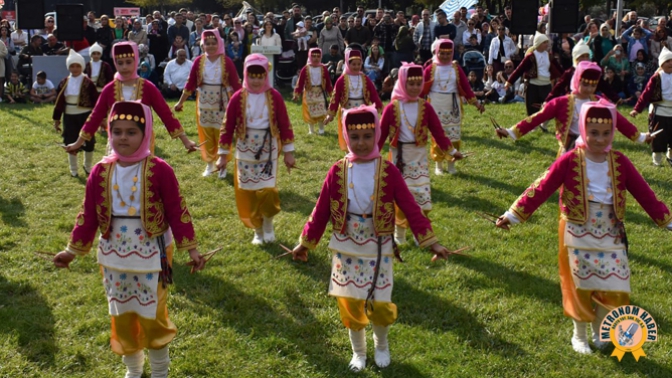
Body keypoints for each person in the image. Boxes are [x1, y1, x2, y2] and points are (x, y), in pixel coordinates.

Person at [495, 99, 672, 355]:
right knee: (581, 285)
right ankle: (579, 335)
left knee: (615, 285)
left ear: (613, 133)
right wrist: (513, 214)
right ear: (583, 130)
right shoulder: (569, 159)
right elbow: (541, 186)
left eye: (606, 133)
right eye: (593, 133)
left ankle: (601, 332)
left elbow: (645, 193)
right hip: (576, 229)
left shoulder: (620, 161)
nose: (600, 139)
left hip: (610, 230)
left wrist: (666, 220)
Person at [290, 104, 455, 372]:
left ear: (377, 134)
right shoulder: (337, 170)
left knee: (379, 303)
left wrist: (431, 241)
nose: (362, 143)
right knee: (351, 303)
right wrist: (305, 242)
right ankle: (359, 351)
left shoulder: (388, 170)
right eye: (354, 137)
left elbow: (411, 208)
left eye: (368, 136)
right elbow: (320, 210)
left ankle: (381, 345)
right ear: (345, 136)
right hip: (345, 245)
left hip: (378, 246)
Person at [53, 101, 206, 378]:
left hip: (152, 254)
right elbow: (87, 215)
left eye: (132, 132)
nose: (123, 137)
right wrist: (70, 251)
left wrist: (191, 249)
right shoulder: (99, 172)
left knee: (153, 316)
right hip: (113, 256)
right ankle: (133, 370)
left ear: (146, 134)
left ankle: (160, 372)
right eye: (117, 131)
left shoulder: (161, 169)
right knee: (122, 313)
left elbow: (177, 210)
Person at [216, 54, 296, 244]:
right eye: (252, 76)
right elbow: (227, 127)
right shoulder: (237, 98)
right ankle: (258, 231)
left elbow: (285, 124)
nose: (256, 80)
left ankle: (268, 223)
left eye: (260, 76)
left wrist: (289, 152)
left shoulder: (275, 96)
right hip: (245, 151)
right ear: (246, 74)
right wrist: (222, 156)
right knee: (249, 192)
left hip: (269, 151)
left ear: (265, 76)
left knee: (268, 190)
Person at [64, 42, 198, 155]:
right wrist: (78, 143)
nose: (124, 67)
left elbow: (166, 113)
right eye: (120, 62)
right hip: (117, 143)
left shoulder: (148, 87)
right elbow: (95, 117)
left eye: (129, 62)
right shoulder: (109, 89)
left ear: (136, 61)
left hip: (143, 142)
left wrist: (185, 141)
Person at [379, 63, 462, 244]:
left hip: (419, 157)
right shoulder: (391, 108)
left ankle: (421, 233)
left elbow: (439, 133)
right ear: (402, 83)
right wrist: (370, 158)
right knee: (401, 196)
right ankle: (399, 233)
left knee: (422, 196)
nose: (416, 88)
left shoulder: (426, 107)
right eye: (411, 84)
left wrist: (452, 151)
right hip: (398, 157)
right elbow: (379, 136)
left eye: (419, 84)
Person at [496, 62, 649, 156]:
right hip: (569, 149)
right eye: (585, 84)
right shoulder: (560, 103)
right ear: (576, 81)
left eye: (593, 85)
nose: (589, 88)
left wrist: (640, 137)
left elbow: (620, 121)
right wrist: (511, 131)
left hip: (595, 148)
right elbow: (536, 118)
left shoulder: (601, 103)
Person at [175, 30, 241, 177]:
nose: (210, 46)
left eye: (213, 43)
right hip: (204, 101)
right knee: (207, 133)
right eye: (207, 44)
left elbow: (236, 84)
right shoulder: (199, 61)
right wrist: (180, 103)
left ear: (219, 43)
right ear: (202, 45)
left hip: (222, 101)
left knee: (222, 132)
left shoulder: (226, 61)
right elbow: (190, 83)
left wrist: (243, 103)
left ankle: (222, 164)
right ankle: (210, 164)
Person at [421, 39, 484, 175]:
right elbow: (420, 89)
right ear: (437, 52)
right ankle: (439, 164)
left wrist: (476, 103)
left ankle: (451, 163)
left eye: (448, 53)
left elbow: (466, 88)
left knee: (453, 135)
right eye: (442, 53)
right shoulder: (430, 68)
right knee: (438, 135)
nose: (445, 56)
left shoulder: (455, 68)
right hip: (436, 104)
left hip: (453, 104)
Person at [324, 49, 383, 151]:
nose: (356, 67)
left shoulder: (365, 78)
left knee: (361, 129)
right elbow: (335, 96)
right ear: (347, 63)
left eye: (358, 64)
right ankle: (350, 149)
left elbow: (373, 94)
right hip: (347, 110)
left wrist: (380, 109)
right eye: (353, 64)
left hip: (362, 110)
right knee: (349, 130)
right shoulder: (341, 80)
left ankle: (361, 148)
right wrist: (330, 114)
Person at [52, 50, 100, 177]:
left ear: (82, 66)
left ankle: (88, 165)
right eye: (72, 66)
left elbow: (96, 101)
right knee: (70, 140)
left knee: (89, 141)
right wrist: (57, 119)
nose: (75, 69)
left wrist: (100, 119)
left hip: (85, 115)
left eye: (78, 66)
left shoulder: (88, 82)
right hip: (69, 115)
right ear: (68, 67)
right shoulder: (64, 82)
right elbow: (59, 102)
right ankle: (73, 168)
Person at [631, 47, 672, 165]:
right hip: (660, 112)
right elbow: (646, 94)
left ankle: (670, 156)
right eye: (668, 61)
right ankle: (657, 160)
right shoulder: (656, 77)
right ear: (662, 63)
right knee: (659, 137)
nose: (671, 63)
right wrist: (637, 109)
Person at [505, 32, 562, 117]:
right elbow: (520, 69)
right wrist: (509, 82)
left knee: (549, 106)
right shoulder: (530, 57)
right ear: (538, 43)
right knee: (532, 108)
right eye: (544, 42)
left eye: (547, 42)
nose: (547, 44)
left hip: (546, 85)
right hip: (533, 86)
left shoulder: (550, 56)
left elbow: (559, 68)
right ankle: (532, 126)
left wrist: (566, 77)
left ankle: (544, 124)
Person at [547, 39, 620, 104]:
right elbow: (558, 87)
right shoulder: (570, 72)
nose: (585, 59)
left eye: (587, 56)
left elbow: (604, 86)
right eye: (582, 56)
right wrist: (548, 100)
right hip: (573, 102)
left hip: (589, 102)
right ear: (576, 58)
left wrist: (616, 98)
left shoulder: (592, 71)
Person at [293, 48, 333, 135]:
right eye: (313, 56)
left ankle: (321, 129)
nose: (316, 58)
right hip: (309, 92)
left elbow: (328, 82)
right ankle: (311, 130)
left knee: (321, 110)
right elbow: (300, 82)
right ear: (310, 56)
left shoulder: (323, 68)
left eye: (318, 56)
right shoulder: (305, 69)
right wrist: (297, 93)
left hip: (319, 92)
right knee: (309, 111)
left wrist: (331, 93)